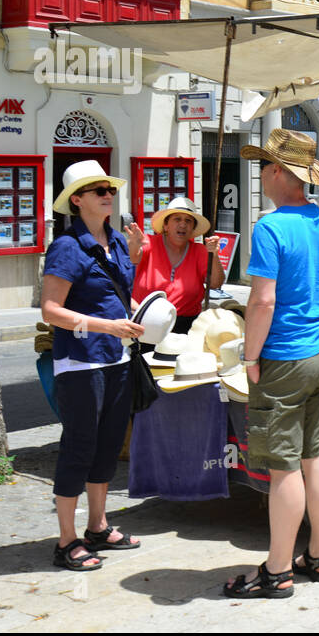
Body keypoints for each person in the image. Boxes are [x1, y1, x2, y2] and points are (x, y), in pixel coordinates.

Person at [225, 130, 319, 599]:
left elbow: (263, 301)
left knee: (283, 467)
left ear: (278, 172)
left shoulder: (271, 228)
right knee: (317, 455)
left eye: (263, 167)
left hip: (284, 357)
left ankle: (276, 569)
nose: (261, 175)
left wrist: (250, 356)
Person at [40, 160, 145, 571]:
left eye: (108, 188)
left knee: (108, 444)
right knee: (79, 447)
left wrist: (140, 308)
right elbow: (51, 310)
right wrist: (108, 325)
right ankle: (66, 540)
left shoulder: (118, 241)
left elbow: (119, 295)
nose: (107, 194)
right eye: (96, 189)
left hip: (117, 357)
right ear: (77, 200)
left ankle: (98, 526)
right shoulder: (67, 246)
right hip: (80, 362)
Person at [127, 196, 224, 332]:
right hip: (146, 325)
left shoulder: (199, 251)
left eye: (188, 221)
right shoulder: (150, 243)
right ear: (166, 225)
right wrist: (133, 244)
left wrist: (214, 255)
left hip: (186, 327)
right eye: (177, 219)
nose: (183, 225)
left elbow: (215, 283)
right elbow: (133, 257)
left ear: (193, 228)